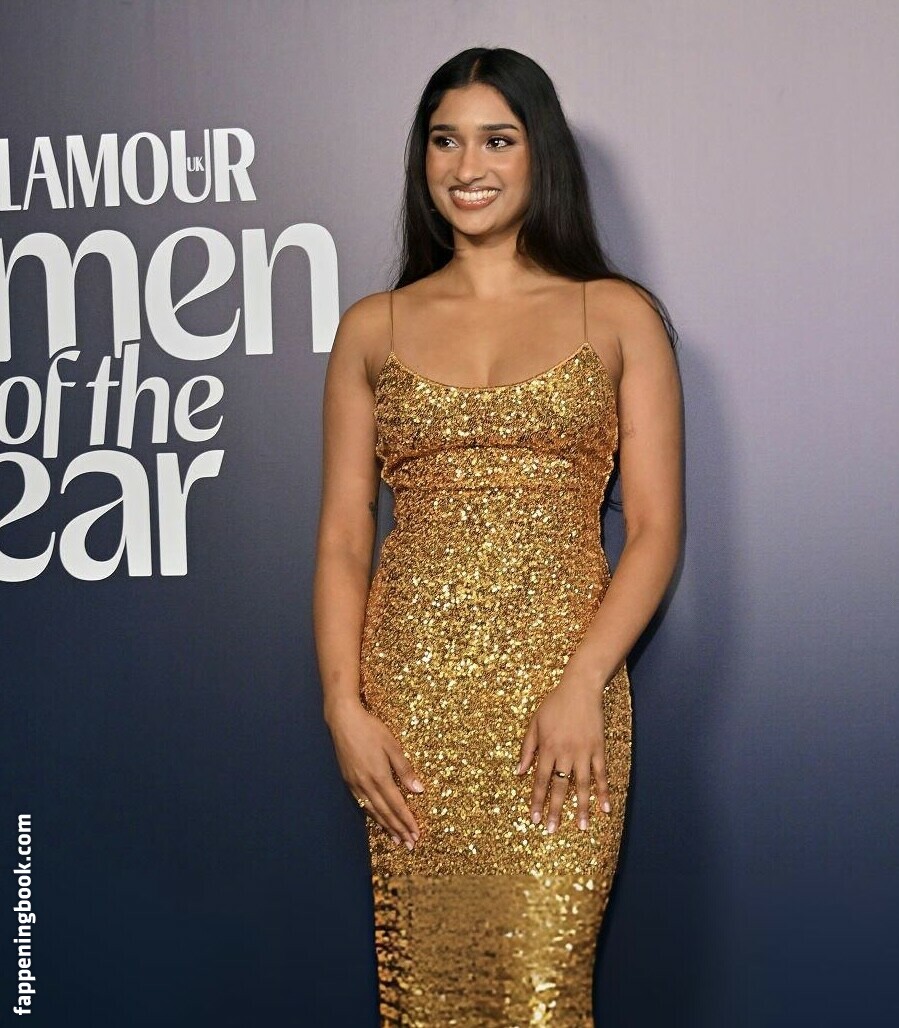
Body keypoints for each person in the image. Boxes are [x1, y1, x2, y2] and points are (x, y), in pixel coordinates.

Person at [313, 46, 683, 1027]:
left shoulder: (615, 314)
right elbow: (344, 537)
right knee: (427, 996)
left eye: (495, 140)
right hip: (411, 702)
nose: (466, 165)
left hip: (562, 697)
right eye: (444, 141)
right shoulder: (371, 328)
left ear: (538, 154)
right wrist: (342, 706)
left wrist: (582, 683)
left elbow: (653, 530)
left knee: (541, 993)